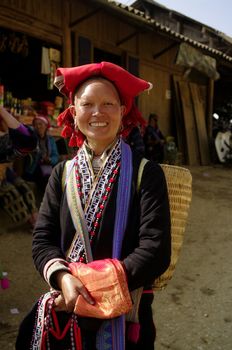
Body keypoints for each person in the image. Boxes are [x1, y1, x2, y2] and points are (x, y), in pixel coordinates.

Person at [16, 62, 171, 350]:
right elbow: (43, 239)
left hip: (125, 314)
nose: (98, 113)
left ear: (123, 111)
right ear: (74, 114)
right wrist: (63, 278)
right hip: (68, 305)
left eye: (108, 104)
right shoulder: (62, 174)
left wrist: (92, 285)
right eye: (87, 104)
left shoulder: (146, 173)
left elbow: (156, 248)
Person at [0, 106, 38, 226]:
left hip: (6, 173)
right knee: (12, 194)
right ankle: (29, 220)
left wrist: (2, 111)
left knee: (24, 187)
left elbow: (27, 142)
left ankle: (34, 218)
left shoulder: (3, 138)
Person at [23, 114, 59, 189]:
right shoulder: (31, 139)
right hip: (33, 168)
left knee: (51, 179)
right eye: (35, 125)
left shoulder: (51, 140)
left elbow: (56, 156)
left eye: (40, 124)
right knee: (46, 180)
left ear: (46, 126)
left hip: (47, 167)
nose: (38, 126)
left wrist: (49, 159)